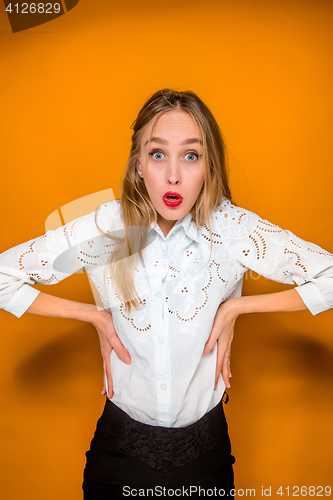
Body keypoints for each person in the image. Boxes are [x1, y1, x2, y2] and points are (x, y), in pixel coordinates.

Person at [0, 89, 332, 499]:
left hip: (206, 458)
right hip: (118, 457)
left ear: (208, 166)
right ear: (138, 164)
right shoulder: (106, 226)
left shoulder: (232, 229)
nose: (173, 175)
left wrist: (238, 306)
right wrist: (95, 316)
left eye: (190, 156)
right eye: (158, 154)